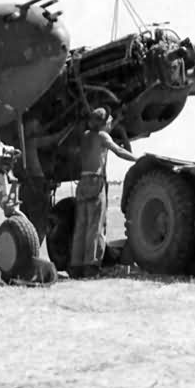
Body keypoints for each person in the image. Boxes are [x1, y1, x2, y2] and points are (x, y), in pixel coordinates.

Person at [70, 107, 137, 279]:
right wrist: (137, 159)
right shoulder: (102, 136)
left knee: (81, 226)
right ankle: (91, 266)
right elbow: (119, 151)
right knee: (95, 226)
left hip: (82, 182)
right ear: (102, 123)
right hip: (95, 182)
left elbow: (102, 131)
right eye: (108, 121)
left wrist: (115, 121)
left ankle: (76, 266)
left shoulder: (86, 135)